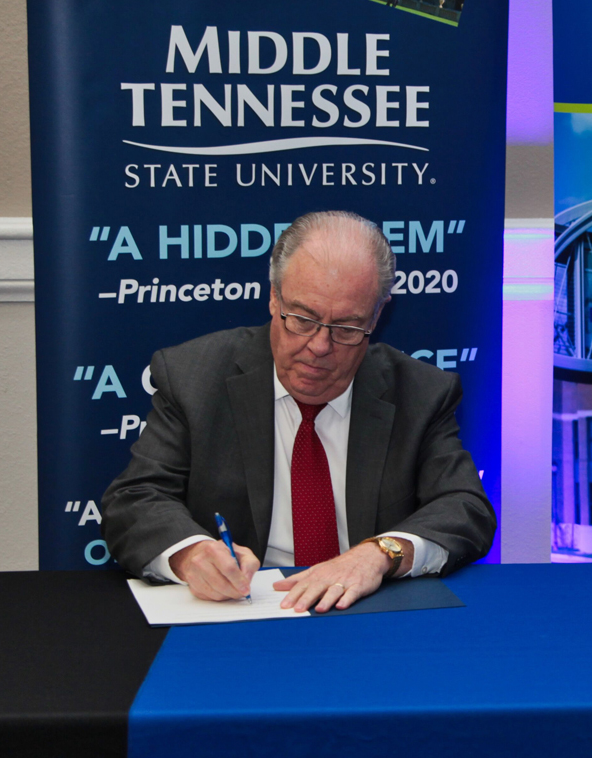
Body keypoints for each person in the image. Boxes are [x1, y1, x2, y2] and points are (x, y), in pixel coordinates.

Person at [102, 211, 495, 613]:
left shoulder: (420, 392)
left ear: (377, 316)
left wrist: (379, 554)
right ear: (274, 297)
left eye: (346, 327)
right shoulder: (193, 377)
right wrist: (191, 554)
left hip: (369, 613)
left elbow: (465, 506)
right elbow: (135, 498)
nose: (320, 346)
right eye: (303, 319)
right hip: (241, 616)